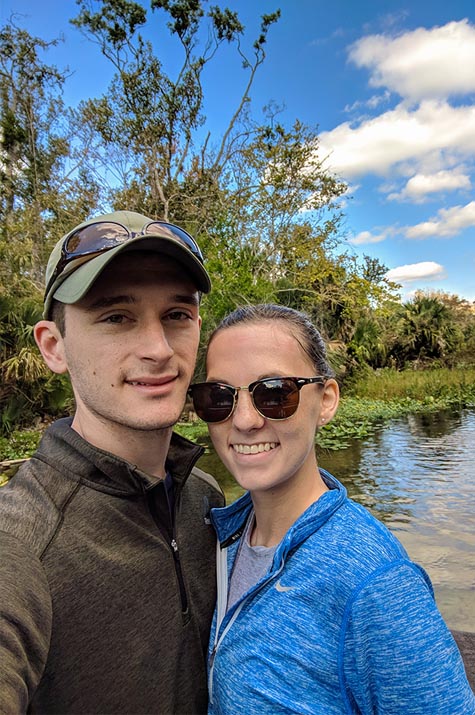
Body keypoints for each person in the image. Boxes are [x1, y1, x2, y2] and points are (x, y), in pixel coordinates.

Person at [188, 303, 475, 715]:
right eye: (219, 397)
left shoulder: (376, 582)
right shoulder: (223, 536)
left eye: (274, 392)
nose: (246, 420)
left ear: (326, 400)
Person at [0, 210, 224, 714]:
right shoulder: (21, 540)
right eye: (116, 317)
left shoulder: (204, 498)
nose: (159, 349)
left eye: (176, 315)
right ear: (54, 347)